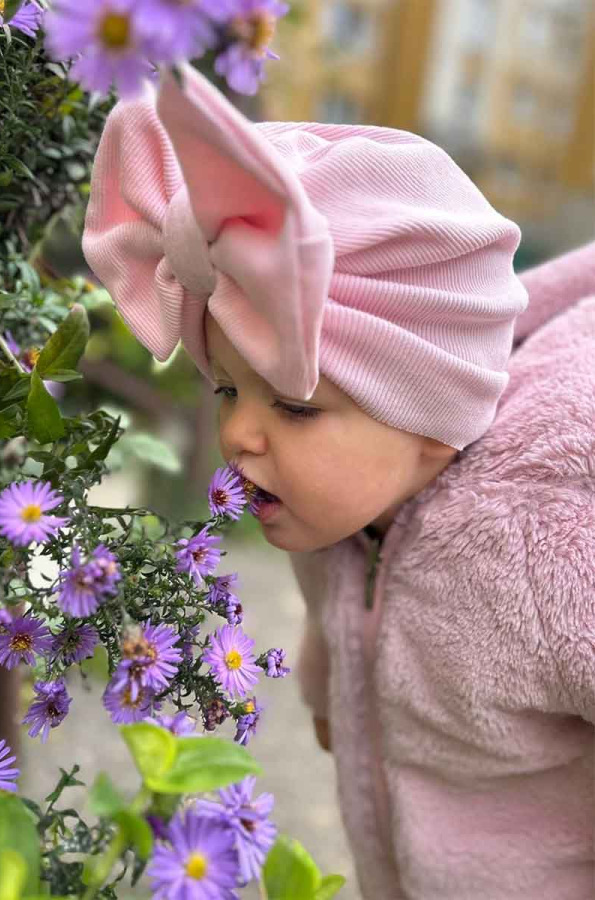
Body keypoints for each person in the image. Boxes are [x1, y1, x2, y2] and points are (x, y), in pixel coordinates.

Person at [81, 62, 595, 898]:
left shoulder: (545, 536)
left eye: (293, 406)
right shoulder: (337, 505)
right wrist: (327, 685)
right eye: (226, 389)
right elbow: (332, 597)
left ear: (434, 423)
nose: (239, 432)